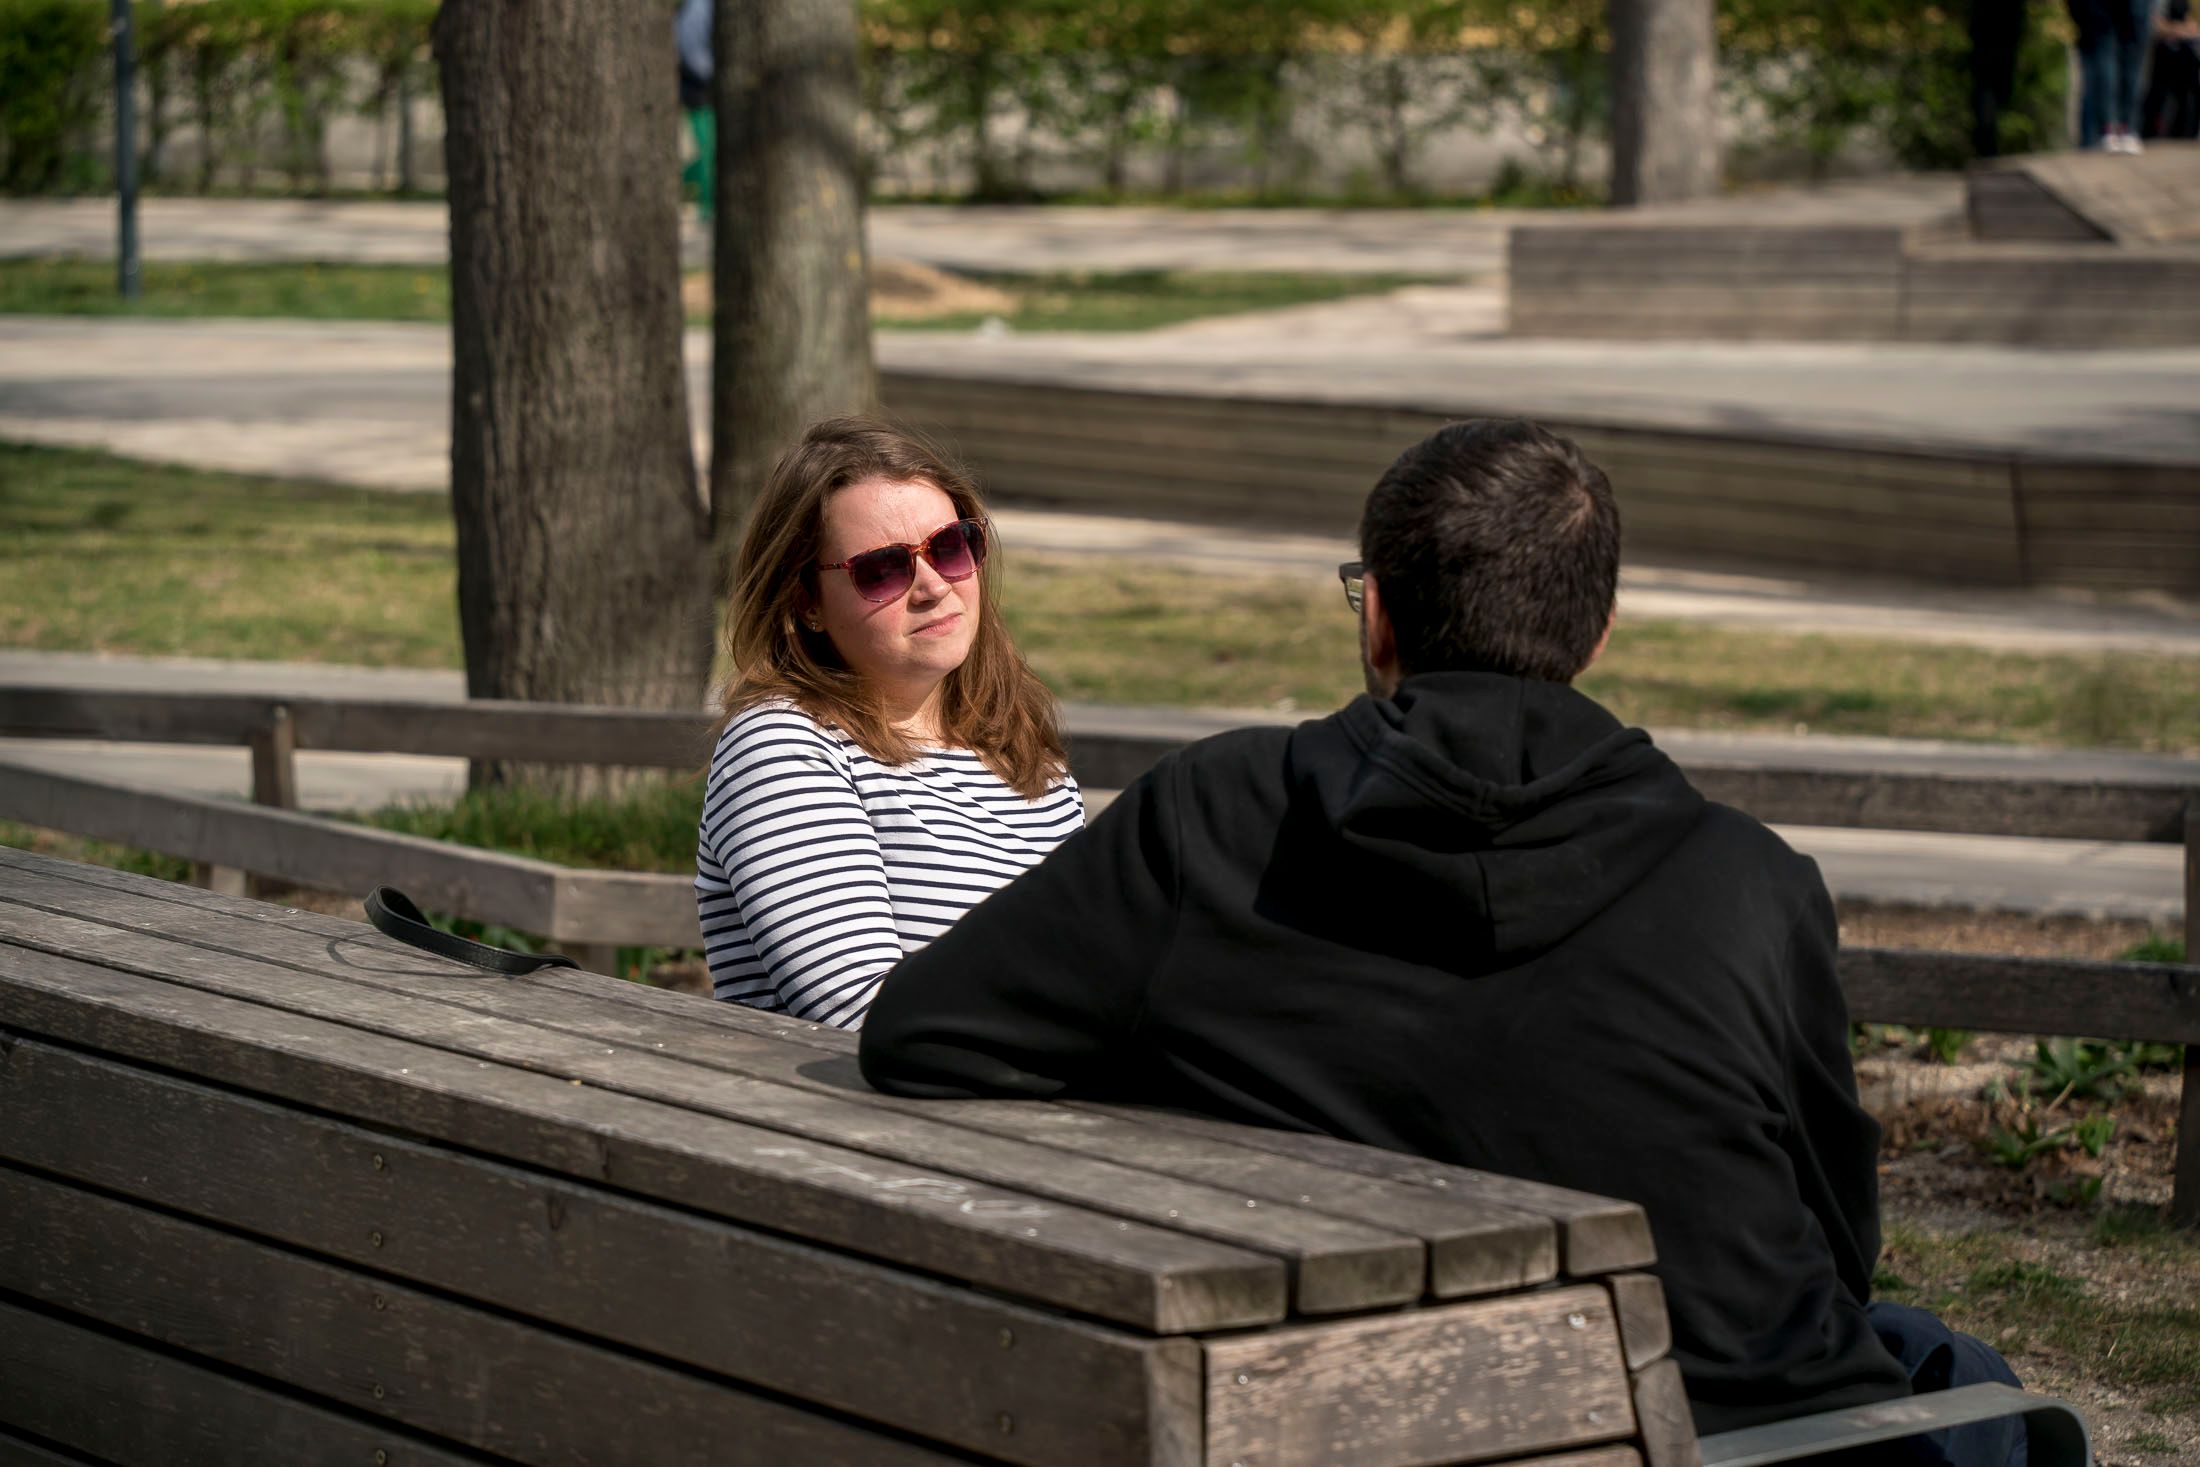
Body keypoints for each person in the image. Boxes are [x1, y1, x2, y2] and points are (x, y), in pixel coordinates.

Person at [859, 420, 2026, 1465]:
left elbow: (922, 1035)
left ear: (1375, 613)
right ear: (1598, 629)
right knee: (1962, 1381)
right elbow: (1831, 1241)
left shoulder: (1212, 819)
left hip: (1386, 1421)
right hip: (1747, 1436)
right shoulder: (1749, 883)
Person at [695, 417, 1083, 1026]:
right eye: (883, 569)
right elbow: (858, 1010)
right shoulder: (782, 745)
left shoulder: (1026, 753)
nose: (932, 586)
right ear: (807, 604)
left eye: (951, 546)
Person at [1970, 0, 2029, 159]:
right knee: (1990, 90)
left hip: (1991, 36)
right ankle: (1987, 145)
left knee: (1990, 89)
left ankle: (1986, 144)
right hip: (1998, 36)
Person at [676, 0, 715, 221]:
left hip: (700, 85)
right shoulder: (700, 6)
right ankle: (702, 205)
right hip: (697, 89)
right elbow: (688, 45)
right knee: (701, 150)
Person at [2143, 0, 2200, 137]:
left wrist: (2187, 28)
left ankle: (2185, 132)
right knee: (2158, 97)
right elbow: (2153, 25)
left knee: (2189, 91)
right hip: (2160, 56)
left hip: (2183, 55)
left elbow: (2192, 23)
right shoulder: (2158, 3)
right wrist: (2179, 29)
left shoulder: (2186, 3)